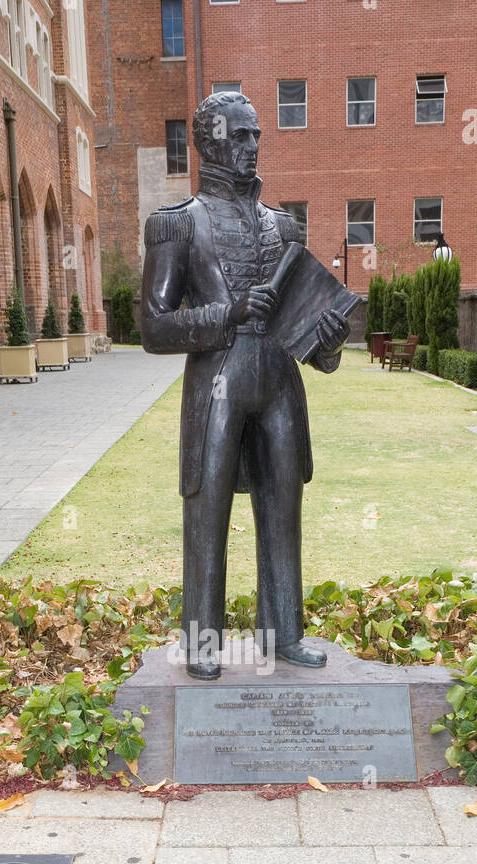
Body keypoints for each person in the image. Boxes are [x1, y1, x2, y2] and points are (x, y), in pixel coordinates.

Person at [141, 91, 350, 679]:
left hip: (280, 382)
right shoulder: (175, 224)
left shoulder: (283, 226)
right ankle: (202, 642)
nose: (252, 145)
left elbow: (313, 346)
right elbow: (153, 328)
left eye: (256, 134)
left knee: (284, 510)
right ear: (208, 143)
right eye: (239, 135)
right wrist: (226, 314)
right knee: (206, 517)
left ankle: (284, 634)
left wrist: (327, 336)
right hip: (218, 381)